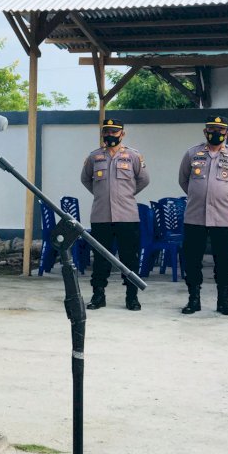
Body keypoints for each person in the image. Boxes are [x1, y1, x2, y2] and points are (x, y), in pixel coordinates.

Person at [178, 115, 228, 315]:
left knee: (224, 261)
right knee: (192, 260)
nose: (216, 133)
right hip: (195, 217)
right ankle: (193, 299)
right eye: (212, 129)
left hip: (221, 217)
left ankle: (223, 301)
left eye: (220, 129)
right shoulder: (192, 153)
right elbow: (184, 181)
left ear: (226, 133)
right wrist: (199, 195)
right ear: (205, 131)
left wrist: (222, 196)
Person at [81, 118, 149, 310]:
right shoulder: (94, 157)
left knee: (129, 258)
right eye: (107, 131)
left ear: (122, 134)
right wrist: (101, 195)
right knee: (100, 258)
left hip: (127, 217)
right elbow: (86, 179)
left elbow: (144, 180)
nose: (110, 135)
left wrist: (125, 194)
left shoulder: (133, 156)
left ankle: (132, 297)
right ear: (103, 133)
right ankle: (98, 296)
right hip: (101, 216)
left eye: (114, 131)